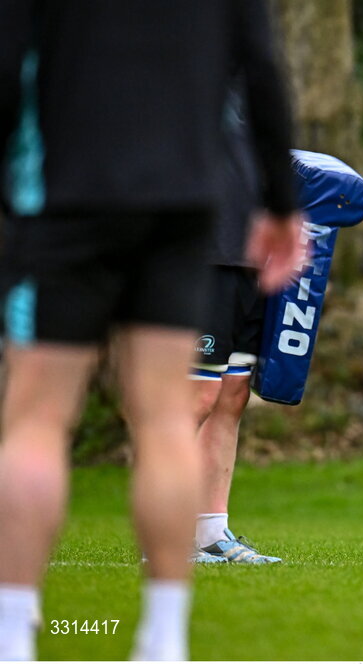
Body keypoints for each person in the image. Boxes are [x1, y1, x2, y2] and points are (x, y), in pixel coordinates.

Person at [0, 1, 303, 660]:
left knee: (37, 419)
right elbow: (262, 70)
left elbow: (7, 64)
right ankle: (164, 639)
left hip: (64, 196)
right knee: (165, 418)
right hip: (182, 203)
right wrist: (282, 201)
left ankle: (11, 635)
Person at [190, 88, 281, 565]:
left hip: (252, 260)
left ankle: (212, 534)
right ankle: (164, 536)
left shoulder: (249, 74)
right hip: (202, 255)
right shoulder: (180, 62)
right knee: (193, 400)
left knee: (232, 395)